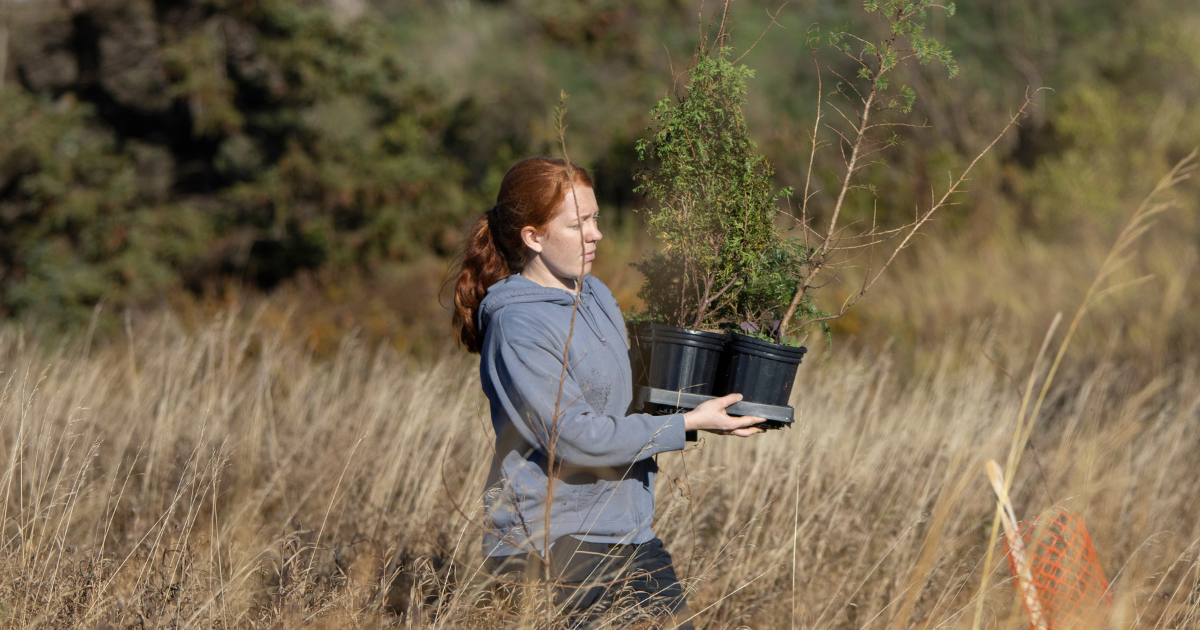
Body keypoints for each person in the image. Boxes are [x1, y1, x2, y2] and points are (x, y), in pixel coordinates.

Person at [452, 157, 765, 628]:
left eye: (595, 218)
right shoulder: (517, 325)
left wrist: (708, 400)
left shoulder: (595, 294)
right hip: (553, 542)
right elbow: (572, 438)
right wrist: (685, 424)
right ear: (533, 237)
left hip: (627, 530)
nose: (595, 234)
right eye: (578, 224)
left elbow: (624, 400)